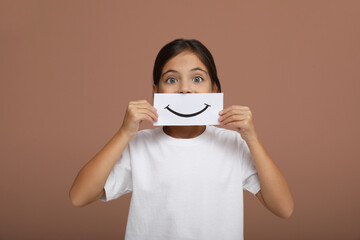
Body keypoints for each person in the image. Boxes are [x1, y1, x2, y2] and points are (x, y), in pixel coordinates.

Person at [69, 39, 294, 240]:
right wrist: (124, 133)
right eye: (171, 79)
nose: (185, 89)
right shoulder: (140, 145)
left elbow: (284, 208)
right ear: (156, 91)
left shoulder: (233, 144)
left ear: (214, 90)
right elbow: (79, 196)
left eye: (197, 79)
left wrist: (253, 139)